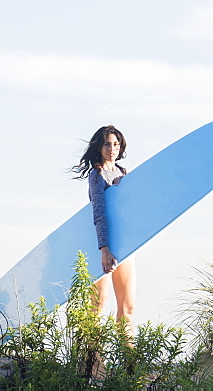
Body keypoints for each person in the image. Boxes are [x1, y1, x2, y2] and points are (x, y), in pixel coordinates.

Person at [72, 124, 136, 332]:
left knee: (128, 307)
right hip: (102, 246)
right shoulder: (97, 175)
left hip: (124, 244)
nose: (112, 149)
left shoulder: (123, 172)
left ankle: (129, 363)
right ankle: (93, 363)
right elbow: (99, 213)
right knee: (97, 306)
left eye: (116, 144)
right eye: (107, 144)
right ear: (99, 147)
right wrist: (104, 250)